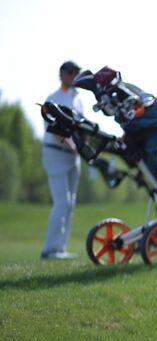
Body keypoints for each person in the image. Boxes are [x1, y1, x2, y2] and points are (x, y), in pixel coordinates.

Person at [40, 60, 85, 260]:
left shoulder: (78, 99)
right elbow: (55, 129)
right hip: (55, 153)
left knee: (70, 203)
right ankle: (50, 249)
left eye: (76, 72)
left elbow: (80, 129)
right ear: (61, 74)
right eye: (69, 72)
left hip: (73, 157)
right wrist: (72, 145)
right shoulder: (53, 98)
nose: (73, 75)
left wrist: (80, 147)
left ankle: (61, 248)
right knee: (62, 201)